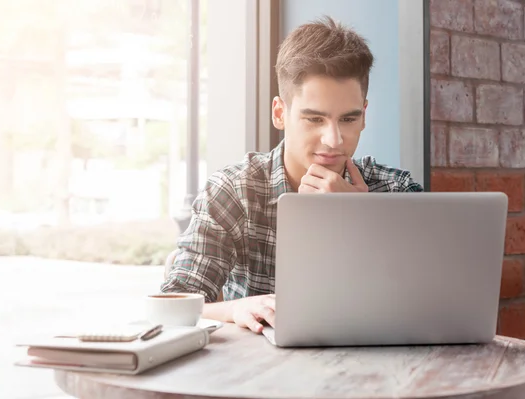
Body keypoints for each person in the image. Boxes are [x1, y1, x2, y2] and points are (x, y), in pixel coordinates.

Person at [160, 16, 423, 334]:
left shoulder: (397, 190)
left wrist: (361, 221)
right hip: (258, 376)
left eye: (349, 119)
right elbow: (171, 309)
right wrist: (236, 308)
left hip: (370, 373)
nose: (334, 140)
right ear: (279, 113)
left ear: (364, 115)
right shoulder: (236, 192)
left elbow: (426, 305)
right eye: (314, 119)